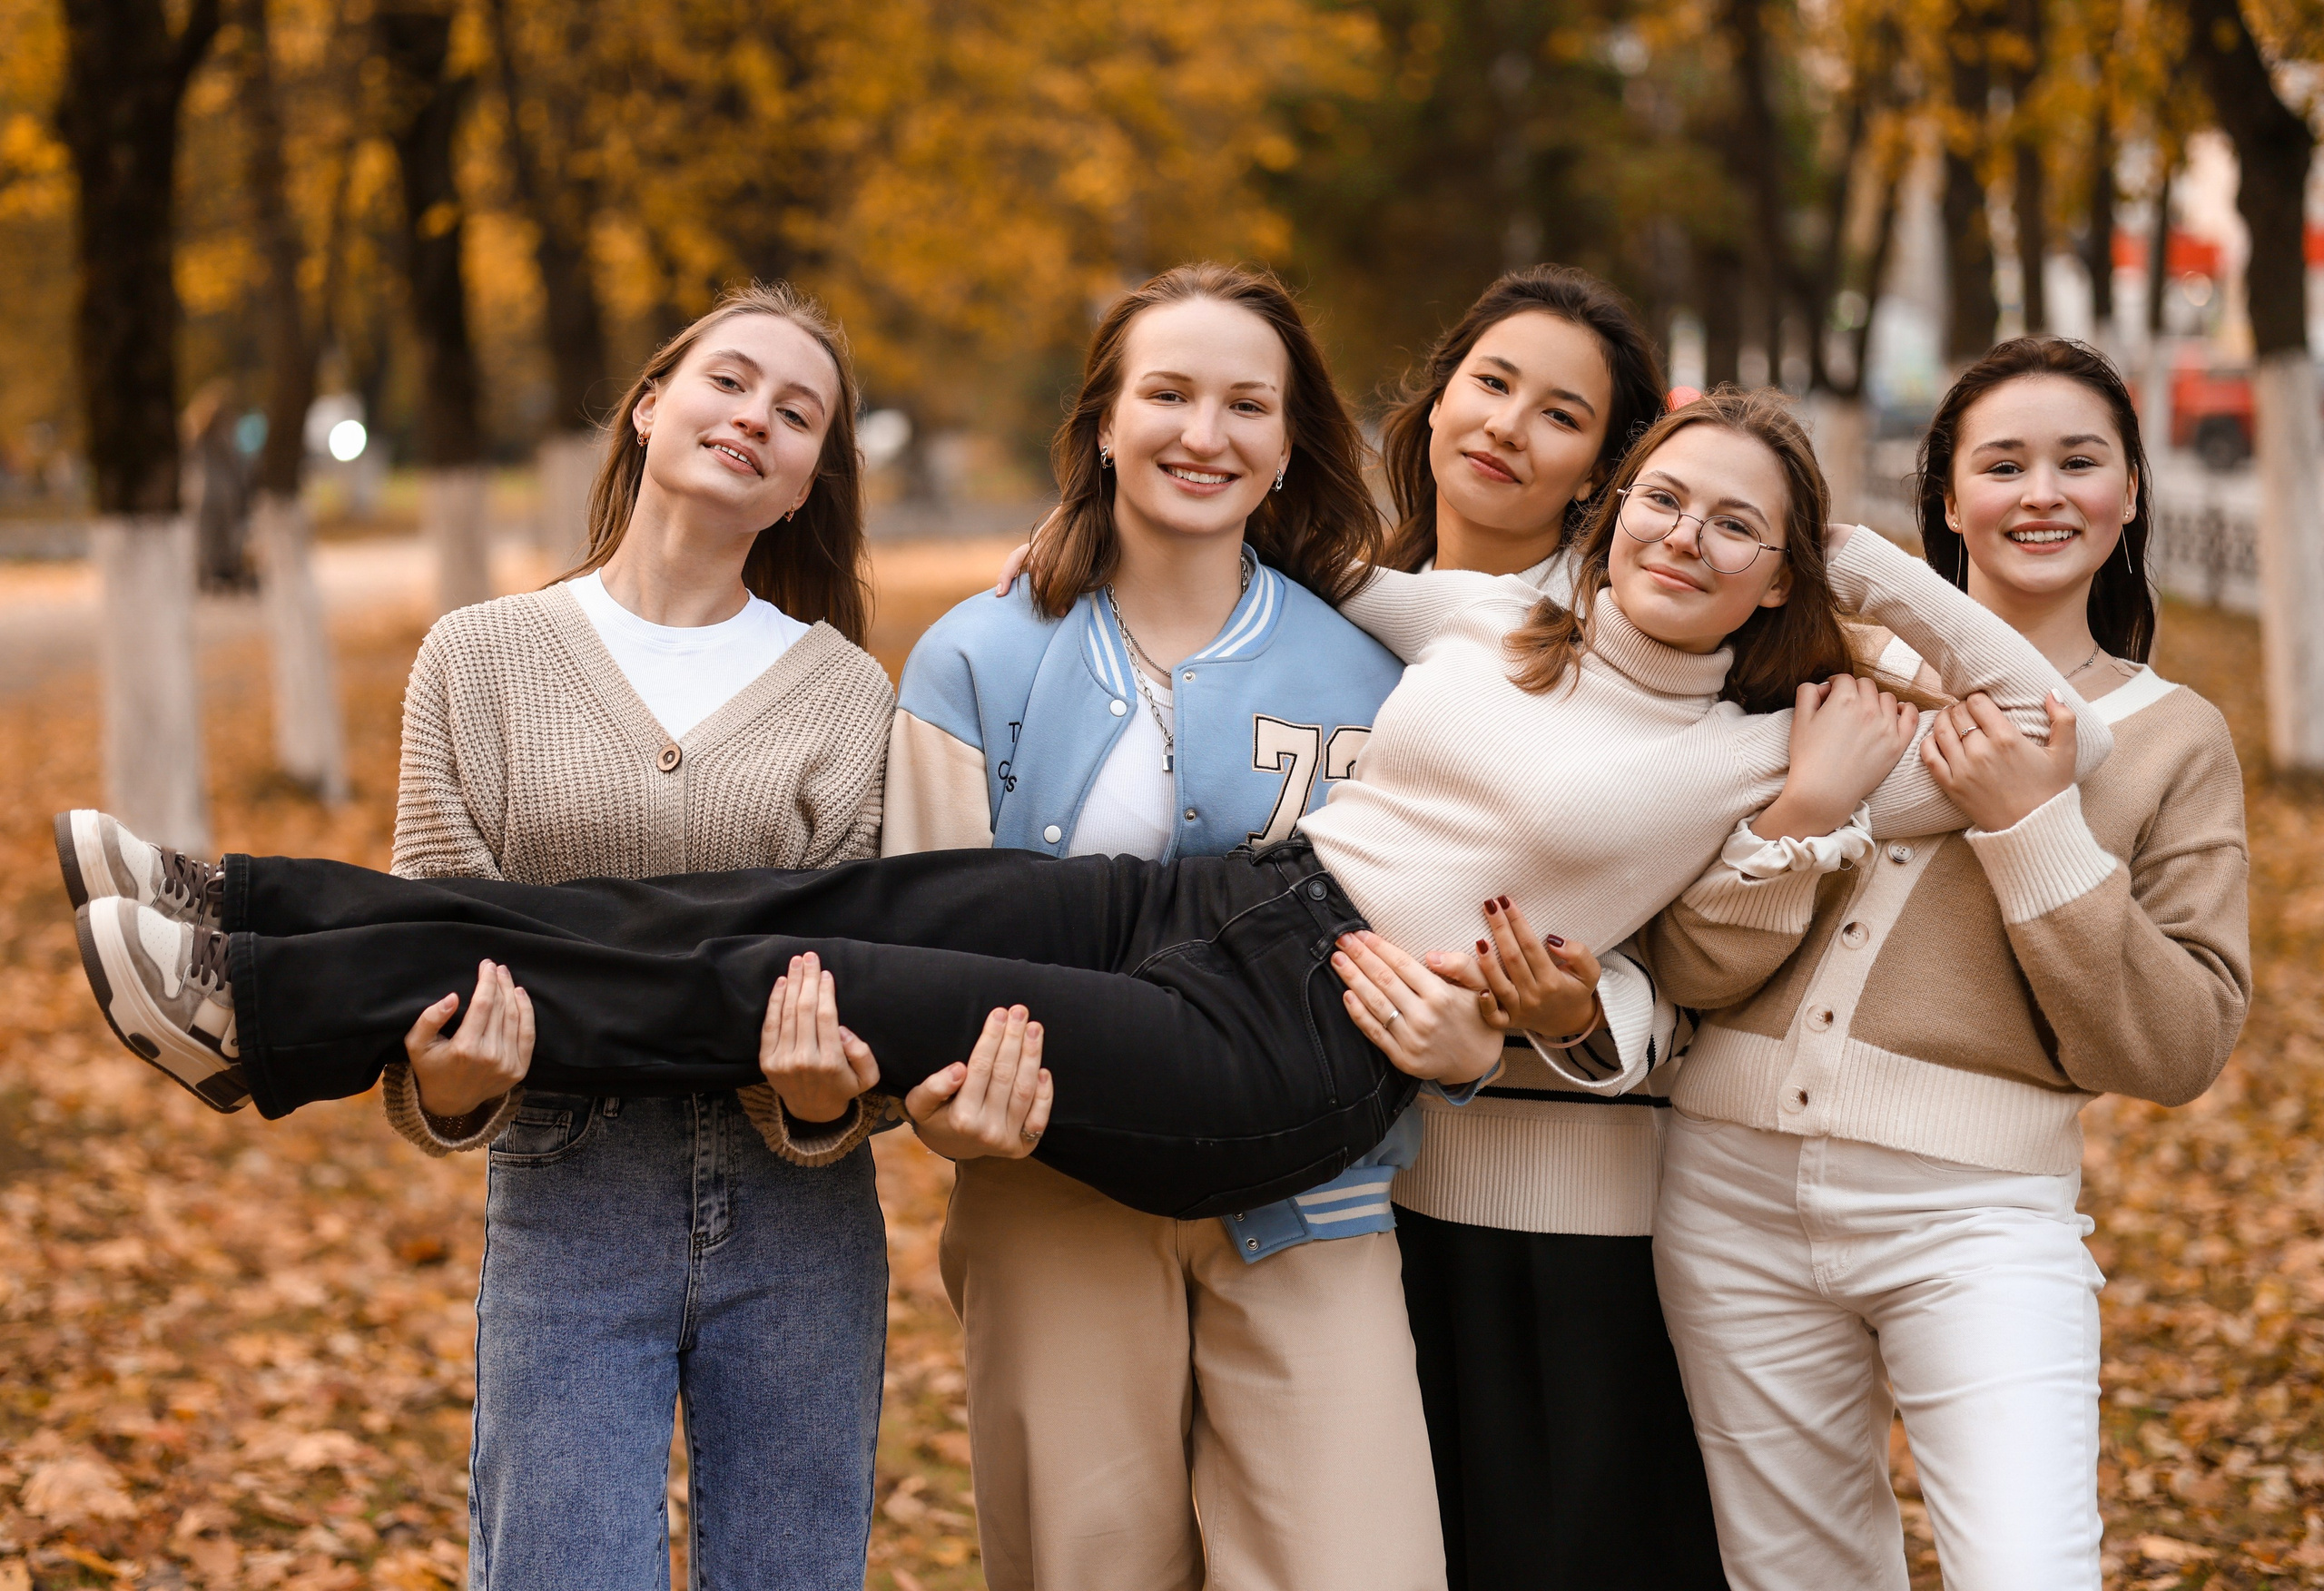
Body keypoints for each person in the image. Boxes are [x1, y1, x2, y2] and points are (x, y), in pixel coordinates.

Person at [62, 387, 2113, 1229]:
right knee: (806, 889)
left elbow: (2046, 716)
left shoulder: (1790, 747)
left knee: (806, 966)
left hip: (1299, 1047)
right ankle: (245, 922)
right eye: (1660, 494)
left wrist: (1860, 568)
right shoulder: (1496, 623)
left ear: (1785, 576)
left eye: (1733, 527)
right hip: (1224, 902)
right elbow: (1263, 531)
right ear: (1611, 513)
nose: (1680, 533)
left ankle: (268, 1018)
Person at [58, 280, 1043, 1588]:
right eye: (730, 380)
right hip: (570, 1193)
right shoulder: (481, 656)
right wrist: (452, 1087)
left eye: (798, 414)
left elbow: (860, 990)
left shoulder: (847, 694)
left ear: (807, 482)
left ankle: (245, 970)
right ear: (647, 406)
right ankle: (230, 935)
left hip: (794, 1218)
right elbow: (439, 957)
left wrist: (823, 1107)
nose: (756, 417)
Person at [876, 261, 1450, 1590]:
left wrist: (1462, 1025)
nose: (1206, 433)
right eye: (1170, 394)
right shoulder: (976, 659)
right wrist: (943, 1104)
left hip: (1320, 1188)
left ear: (1292, 437)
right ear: (1104, 424)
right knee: (1089, 1562)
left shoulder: (1377, 669)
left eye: (1247, 403)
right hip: (1052, 1177)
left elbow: (1436, 915)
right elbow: (919, 939)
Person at [1643, 339, 2250, 1591]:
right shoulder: (1817, 666)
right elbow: (1690, 966)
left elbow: (2181, 1042)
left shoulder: (2171, 736)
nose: (2043, 494)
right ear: (1947, 492)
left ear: (2131, 492)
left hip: (1975, 1217)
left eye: (2080, 462)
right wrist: (1805, 812)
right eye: (2004, 463)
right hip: (1726, 1195)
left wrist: (2032, 829)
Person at [1373, 266, 1729, 1587]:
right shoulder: (1330, 616)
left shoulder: (1657, 653)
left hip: (1586, 1224)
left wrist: (1584, 1016)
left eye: (1562, 414)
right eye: (1492, 383)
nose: (1510, 426)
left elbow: (1715, 958)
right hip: (1355, 1206)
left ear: (1603, 472)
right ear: (1434, 400)